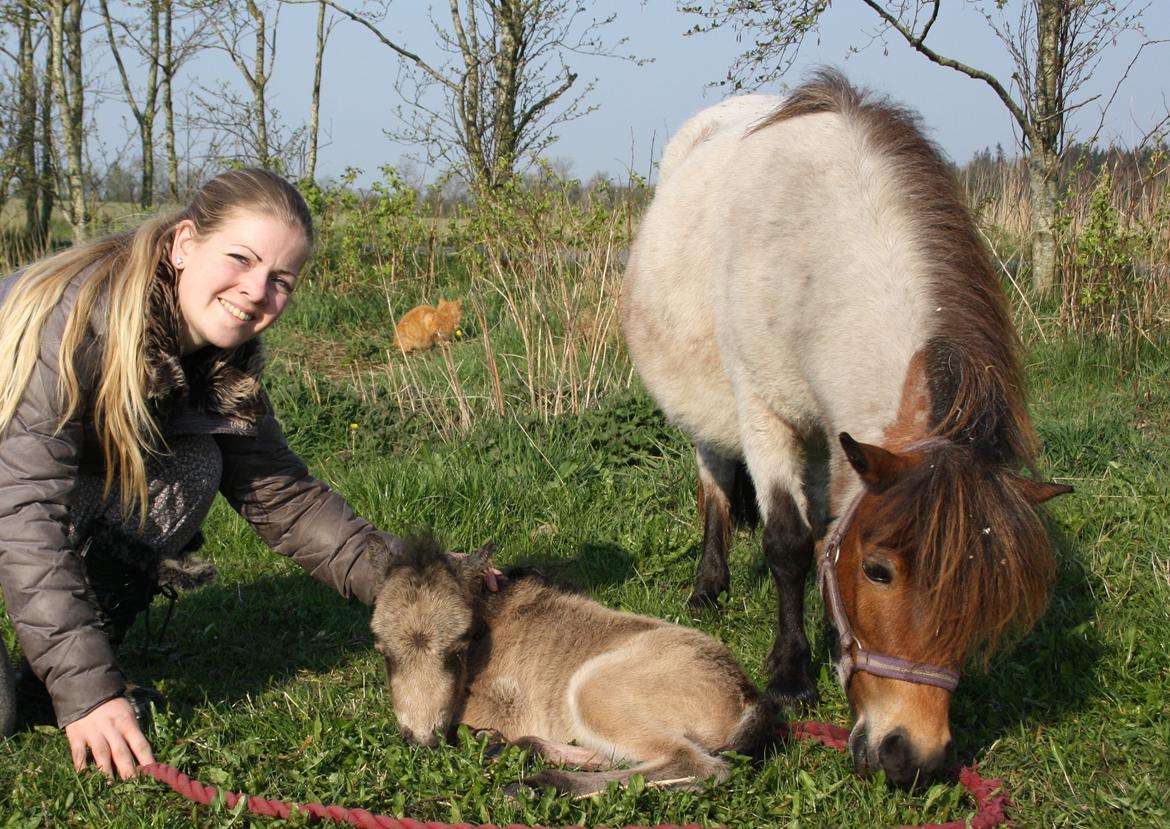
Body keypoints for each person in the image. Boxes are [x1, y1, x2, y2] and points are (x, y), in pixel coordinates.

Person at [0, 169, 487, 781]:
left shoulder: (217, 358)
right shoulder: (74, 325)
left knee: (195, 464)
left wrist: (414, 581)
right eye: (241, 258)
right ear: (184, 244)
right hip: (14, 500)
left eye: (280, 280)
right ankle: (76, 683)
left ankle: (49, 677)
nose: (256, 291)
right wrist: (88, 693)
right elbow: (23, 510)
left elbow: (283, 497)